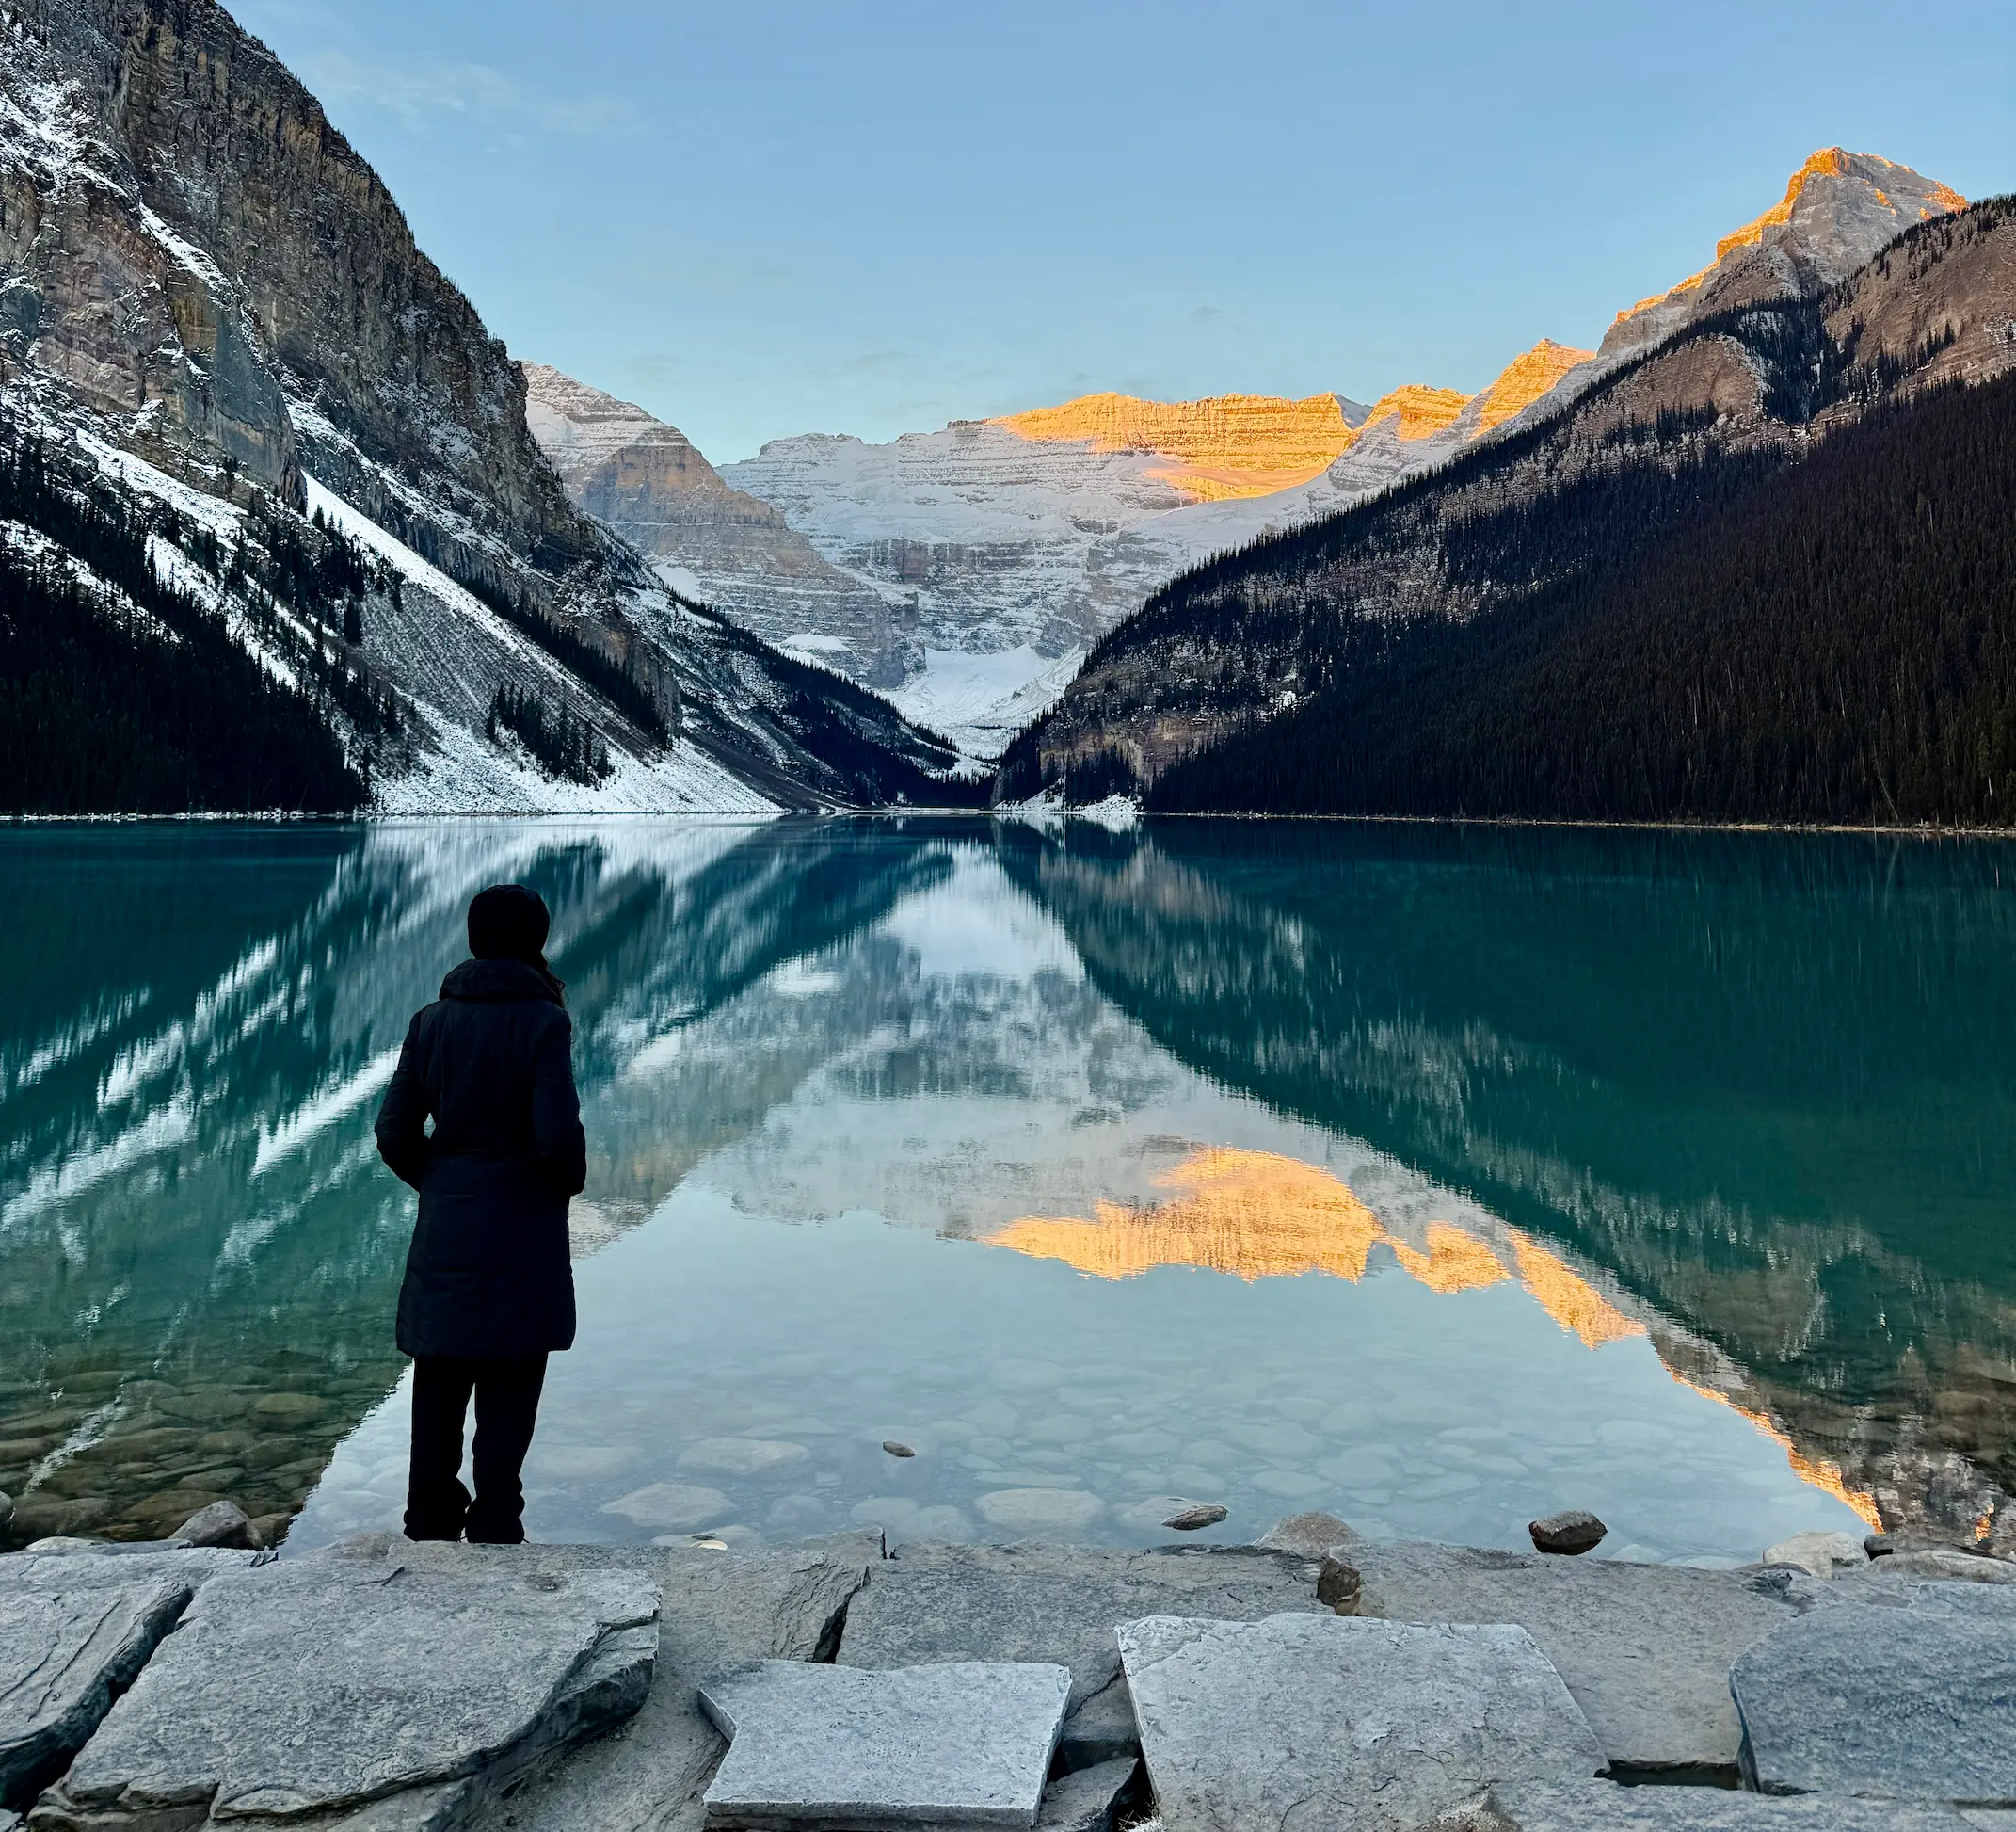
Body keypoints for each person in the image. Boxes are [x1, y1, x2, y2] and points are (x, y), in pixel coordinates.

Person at [374, 883, 585, 1543]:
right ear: (536, 941)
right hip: (522, 1232)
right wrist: (559, 1183)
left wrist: (441, 1182)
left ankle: (429, 1522)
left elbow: (394, 1131)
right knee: (512, 1378)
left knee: (438, 1375)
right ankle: (496, 1522)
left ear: (473, 939)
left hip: (448, 1227)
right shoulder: (544, 1020)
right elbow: (556, 1139)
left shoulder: (430, 1021)